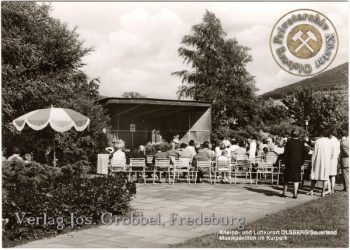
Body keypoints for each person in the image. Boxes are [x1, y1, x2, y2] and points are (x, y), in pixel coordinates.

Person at [281, 130, 306, 198]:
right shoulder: (301, 143)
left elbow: (285, 154)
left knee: (286, 178)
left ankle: (284, 193)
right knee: (296, 178)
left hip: (289, 162)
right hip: (298, 163)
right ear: (298, 135)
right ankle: (295, 194)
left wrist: (283, 163)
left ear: (291, 135)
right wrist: (302, 163)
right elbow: (304, 154)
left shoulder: (289, 143)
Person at [310, 128, 333, 197]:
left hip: (318, 160)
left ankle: (311, 190)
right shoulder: (330, 142)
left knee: (314, 175)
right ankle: (323, 192)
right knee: (325, 177)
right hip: (327, 161)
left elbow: (315, 152)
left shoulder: (318, 141)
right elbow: (331, 153)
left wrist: (312, 161)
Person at [329, 129, 340, 194]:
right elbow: (338, 151)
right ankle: (332, 188)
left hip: (330, 158)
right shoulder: (338, 141)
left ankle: (329, 188)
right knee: (333, 175)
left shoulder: (330, 140)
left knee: (328, 174)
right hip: (335, 159)